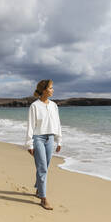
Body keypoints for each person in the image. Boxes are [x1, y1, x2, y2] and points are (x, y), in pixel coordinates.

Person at [25, 79, 62, 210]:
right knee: (43, 169)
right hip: (38, 139)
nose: (53, 90)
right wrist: (29, 144)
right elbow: (30, 125)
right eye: (51, 88)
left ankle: (38, 189)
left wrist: (59, 140)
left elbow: (57, 123)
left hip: (50, 138)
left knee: (44, 166)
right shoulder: (34, 106)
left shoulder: (54, 105)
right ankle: (43, 198)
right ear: (44, 90)